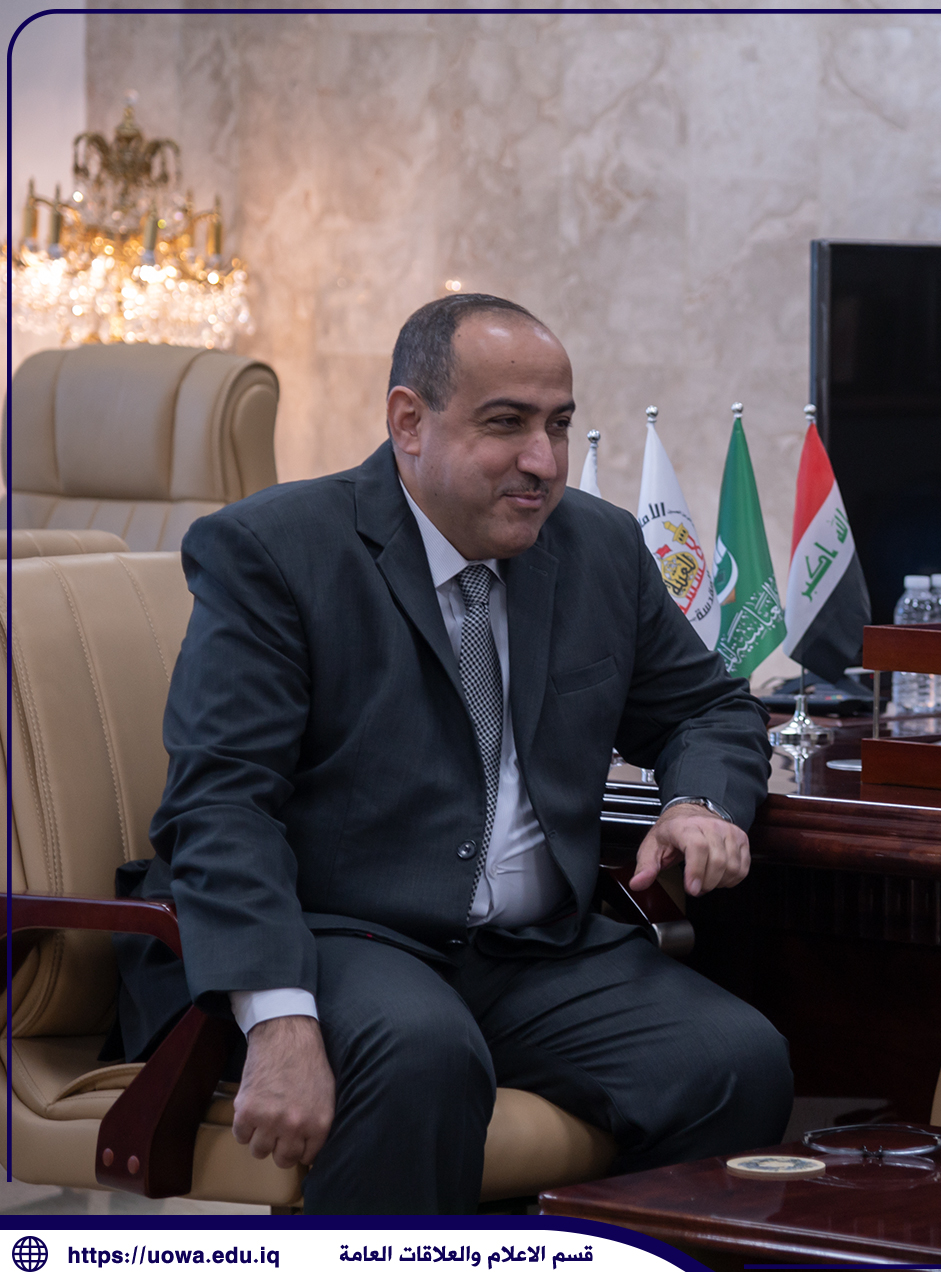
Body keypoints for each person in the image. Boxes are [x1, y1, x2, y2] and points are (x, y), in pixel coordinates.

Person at [115, 294, 793, 1213]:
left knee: (735, 1061)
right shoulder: (276, 551)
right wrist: (277, 1018)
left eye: (558, 425)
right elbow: (222, 803)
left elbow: (708, 708)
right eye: (506, 425)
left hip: (530, 952)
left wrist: (698, 804)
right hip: (335, 932)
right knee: (421, 1050)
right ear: (409, 422)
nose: (543, 461)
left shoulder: (598, 547)